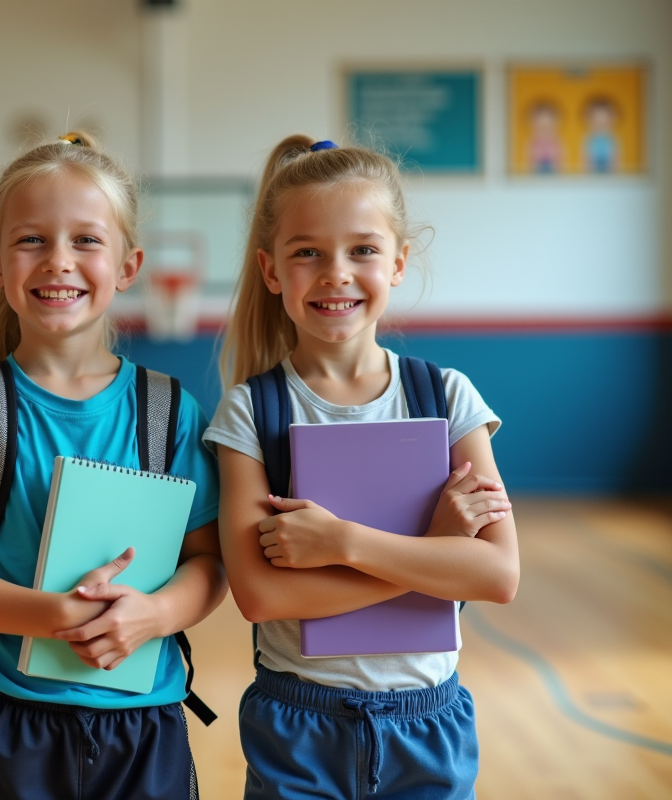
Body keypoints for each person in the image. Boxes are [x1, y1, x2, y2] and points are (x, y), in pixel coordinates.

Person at [0, 132, 227, 800]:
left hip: (145, 722)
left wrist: (153, 616)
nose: (58, 262)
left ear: (129, 266)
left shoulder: (170, 411)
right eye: (31, 241)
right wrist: (51, 615)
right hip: (7, 725)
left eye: (86, 241)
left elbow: (209, 565)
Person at [205, 136, 519, 799]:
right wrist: (435, 556)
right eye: (307, 253)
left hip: (428, 721)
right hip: (299, 722)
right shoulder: (249, 412)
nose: (336, 273)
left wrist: (342, 543)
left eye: (364, 250)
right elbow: (261, 597)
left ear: (399, 263)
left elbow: (496, 574)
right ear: (270, 270)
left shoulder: (449, 397)